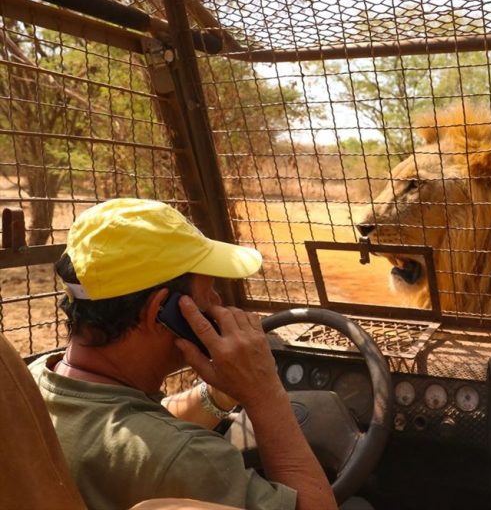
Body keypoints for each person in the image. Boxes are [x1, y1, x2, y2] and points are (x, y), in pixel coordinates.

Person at [29, 198, 337, 510]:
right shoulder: (188, 458)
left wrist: (218, 396)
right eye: (208, 293)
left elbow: (133, 428)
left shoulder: (33, 381)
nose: (216, 300)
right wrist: (265, 392)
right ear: (160, 312)